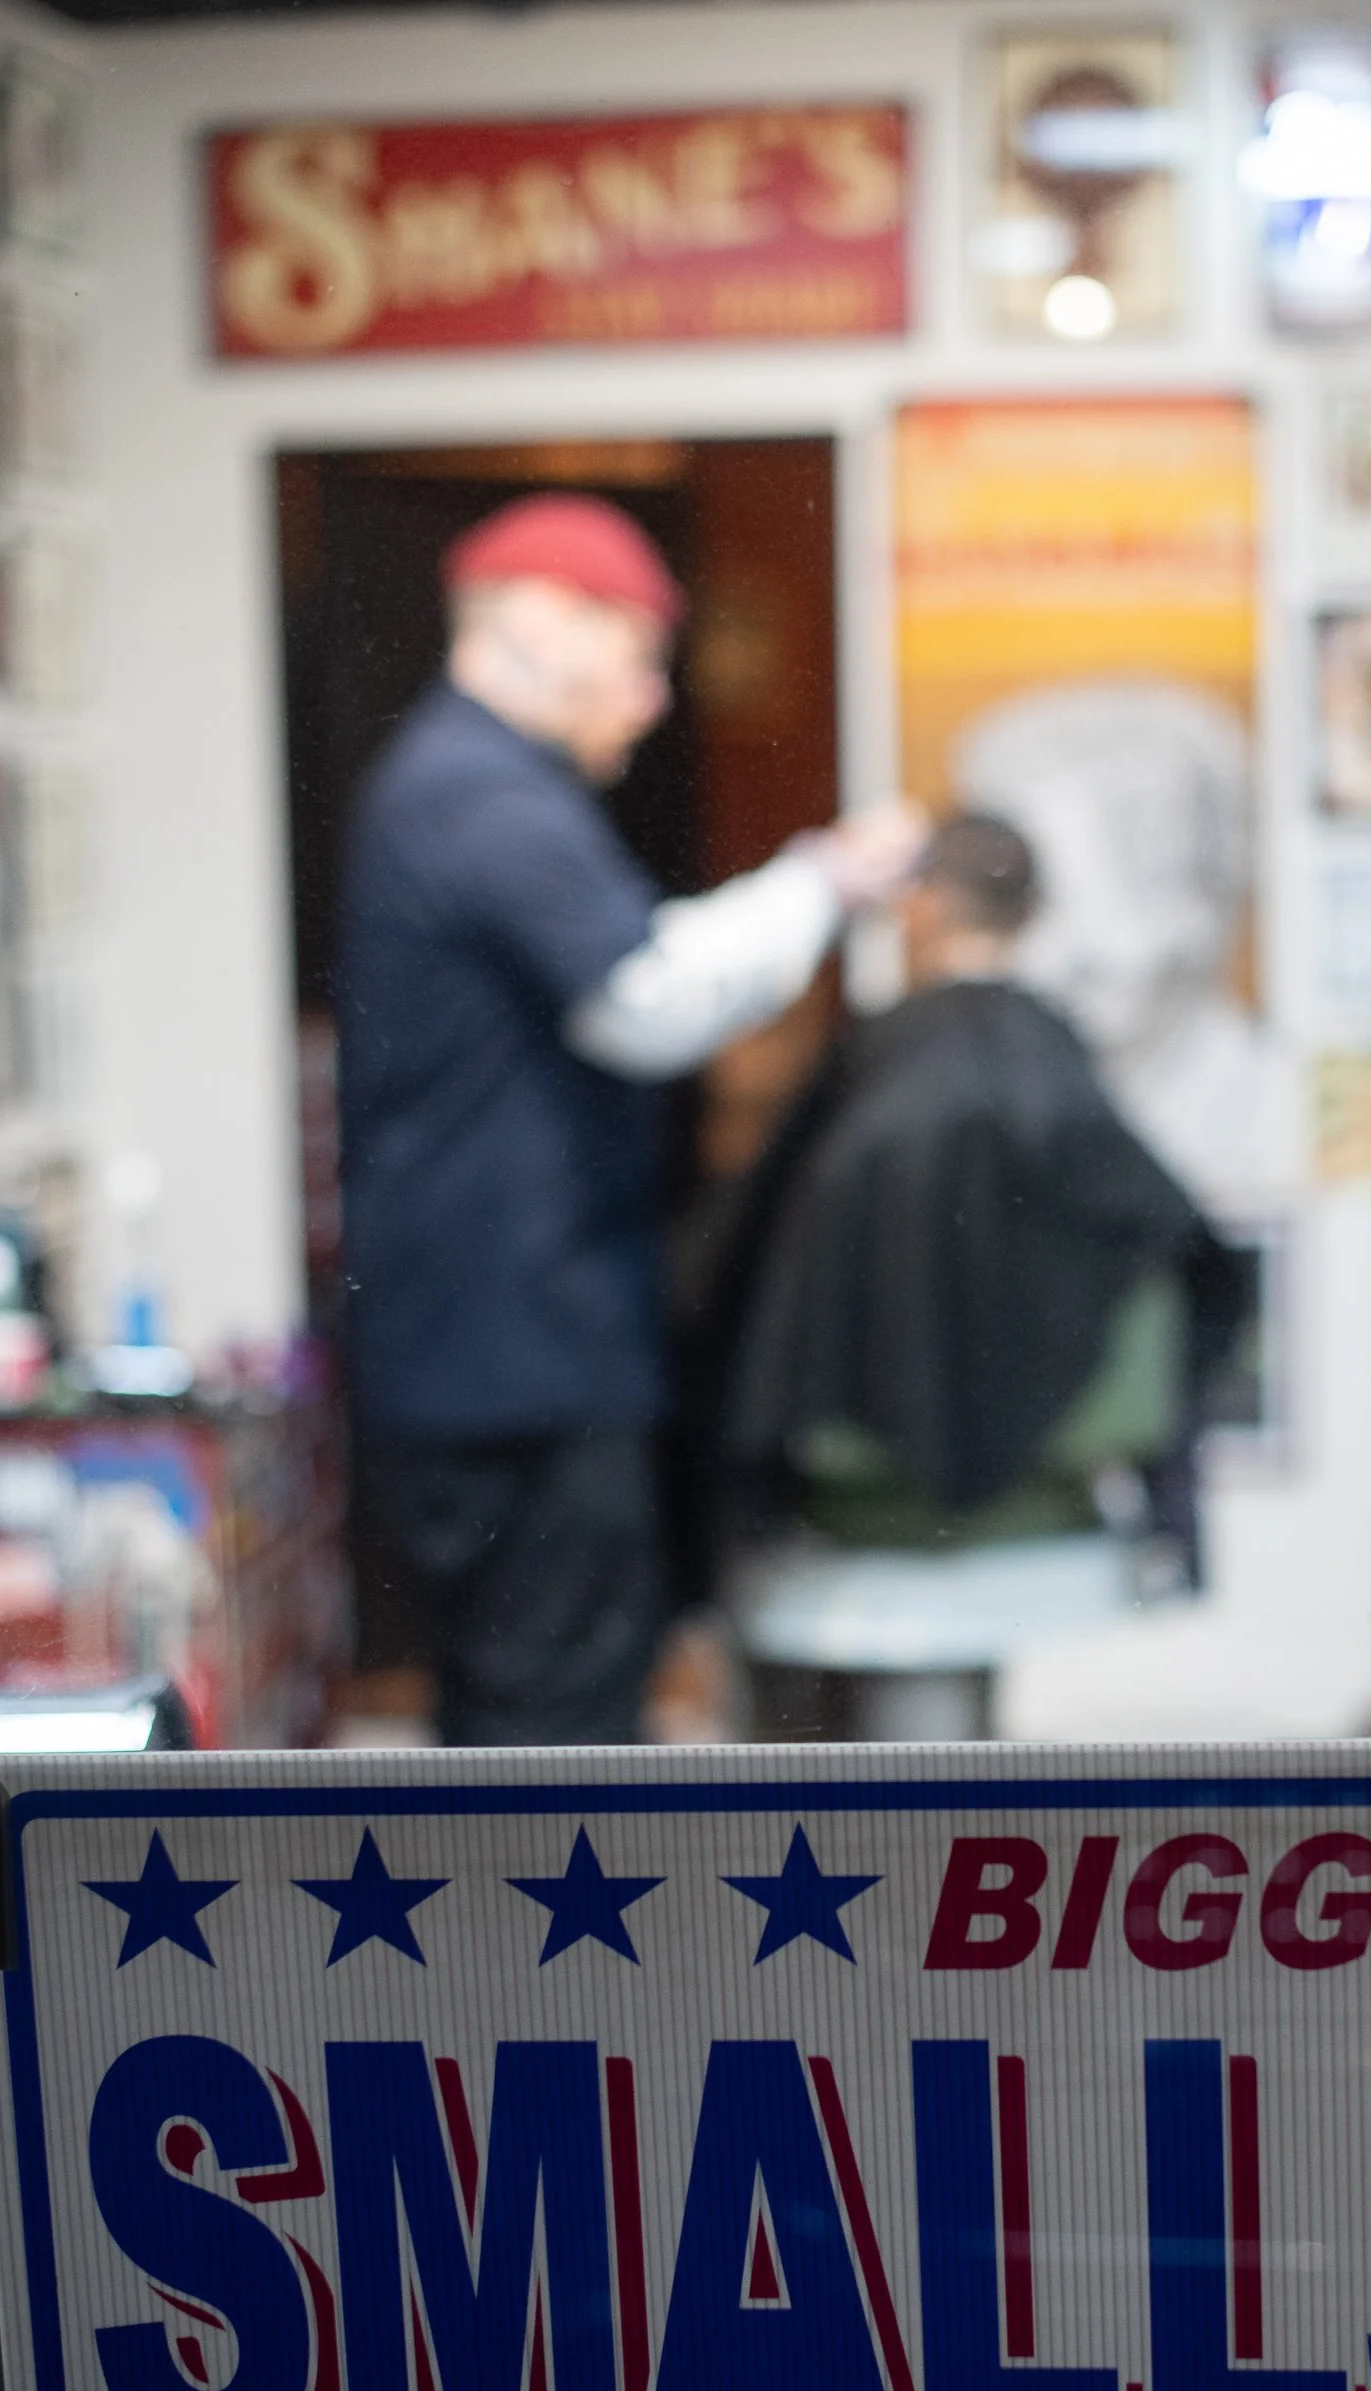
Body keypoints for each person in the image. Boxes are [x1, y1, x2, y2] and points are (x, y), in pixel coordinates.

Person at [336, 492, 922, 1744]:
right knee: (552, 1719)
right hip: (516, 1364)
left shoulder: (463, 786)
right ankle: (517, 1949)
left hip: (490, 1352)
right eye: (637, 652)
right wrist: (822, 881)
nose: (653, 698)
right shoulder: (481, 796)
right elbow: (645, 998)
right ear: (537, 621)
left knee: (519, 1693)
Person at [714, 810, 1243, 1563]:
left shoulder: (877, 1062)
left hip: (858, 1464)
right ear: (1031, 916)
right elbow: (1192, 1252)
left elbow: (749, 1255)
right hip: (1051, 1459)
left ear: (919, 906)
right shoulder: (1053, 1060)